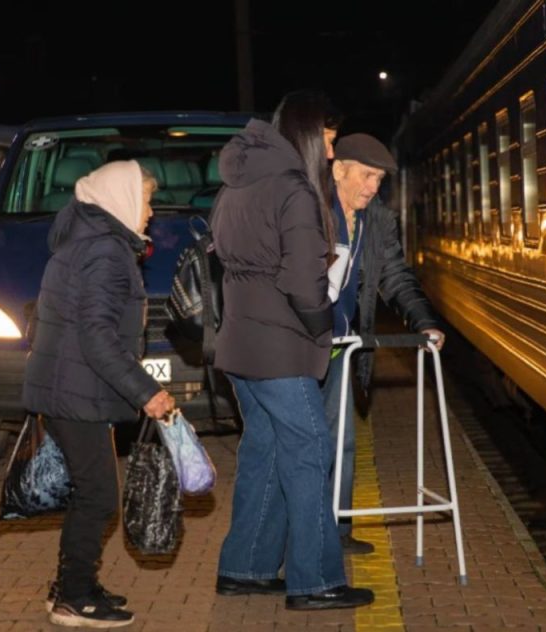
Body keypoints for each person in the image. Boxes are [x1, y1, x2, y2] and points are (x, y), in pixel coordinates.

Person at [211, 91, 374, 611]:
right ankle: (316, 580)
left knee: (264, 451)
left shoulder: (236, 183)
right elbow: (304, 282)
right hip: (281, 347)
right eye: (326, 140)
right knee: (310, 453)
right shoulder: (294, 190)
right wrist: (322, 328)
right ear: (306, 133)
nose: (329, 154)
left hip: (239, 342)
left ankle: (247, 567)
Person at [23, 160, 175, 629]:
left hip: (70, 387)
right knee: (99, 497)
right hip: (77, 391)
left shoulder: (86, 241)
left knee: (91, 492)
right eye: (146, 199)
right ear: (121, 199)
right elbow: (97, 336)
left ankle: (74, 587)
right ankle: (74, 597)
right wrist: (146, 392)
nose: (150, 211)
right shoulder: (106, 251)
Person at [323, 133, 446, 554]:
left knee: (343, 440)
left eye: (379, 179)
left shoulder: (376, 220)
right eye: (367, 176)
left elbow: (395, 276)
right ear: (339, 169)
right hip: (300, 345)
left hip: (342, 345)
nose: (374, 187)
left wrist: (423, 321)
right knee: (308, 442)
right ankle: (306, 538)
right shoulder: (310, 209)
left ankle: (336, 532)